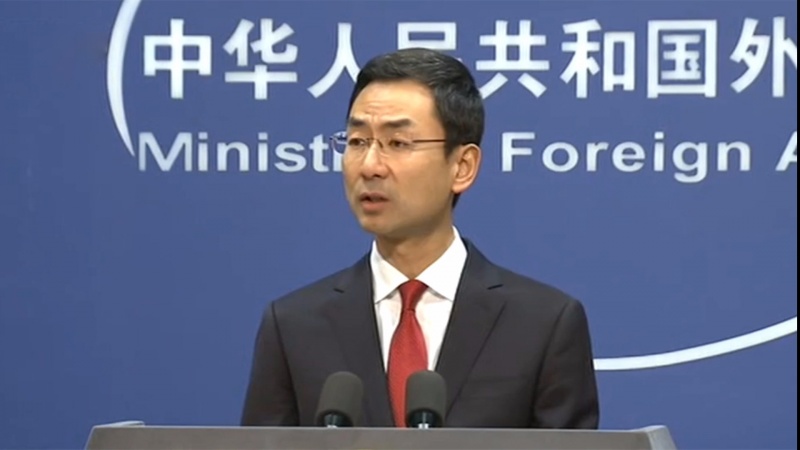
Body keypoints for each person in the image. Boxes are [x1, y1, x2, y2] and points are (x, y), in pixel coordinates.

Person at [240, 47, 599, 429]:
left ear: (462, 167)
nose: (370, 166)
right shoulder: (294, 325)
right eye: (357, 141)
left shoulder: (543, 324)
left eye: (398, 143)